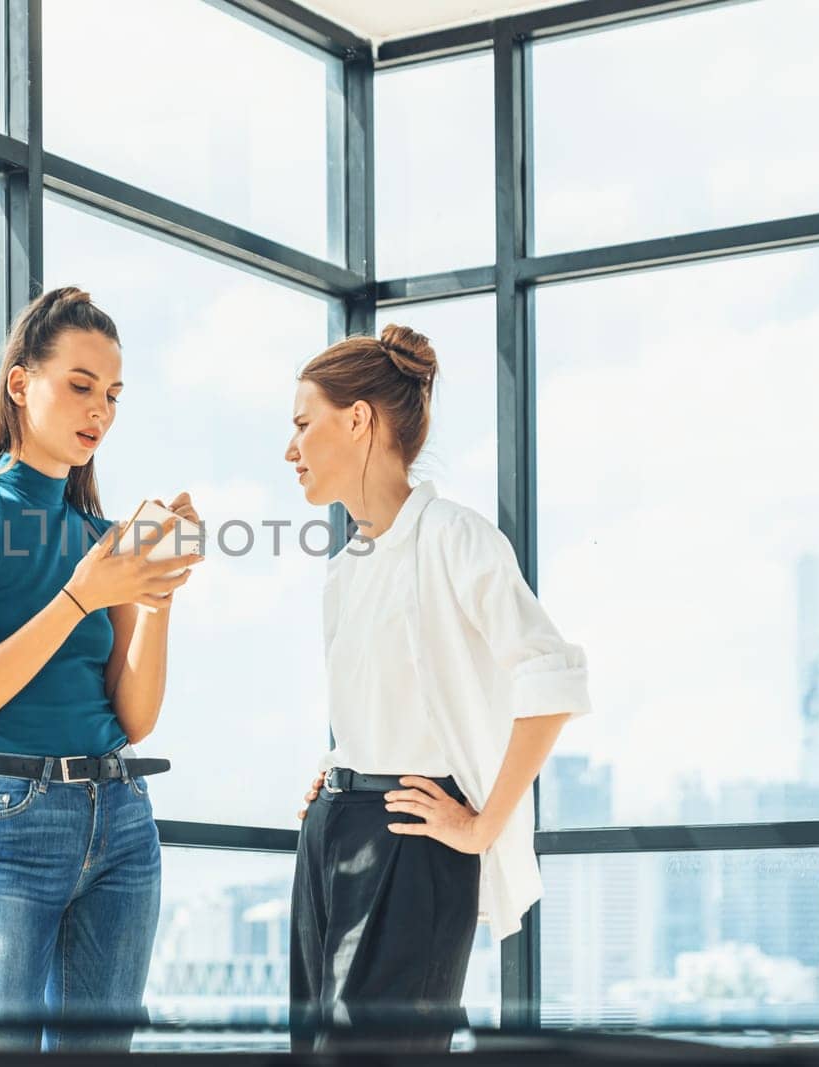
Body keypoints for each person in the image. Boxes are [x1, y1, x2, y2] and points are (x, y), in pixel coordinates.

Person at [0, 286, 204, 1050]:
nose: (98, 412)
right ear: (19, 383)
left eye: (111, 395)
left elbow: (135, 717)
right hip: (9, 821)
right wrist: (83, 595)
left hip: (123, 822)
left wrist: (159, 589)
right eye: (79, 386)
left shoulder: (104, 536)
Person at [285, 323, 593, 1051]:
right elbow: (386, 699)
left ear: (357, 419)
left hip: (412, 838)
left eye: (303, 425)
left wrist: (483, 825)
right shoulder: (349, 563)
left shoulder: (455, 535)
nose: (290, 450)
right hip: (333, 830)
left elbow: (552, 678)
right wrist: (338, 771)